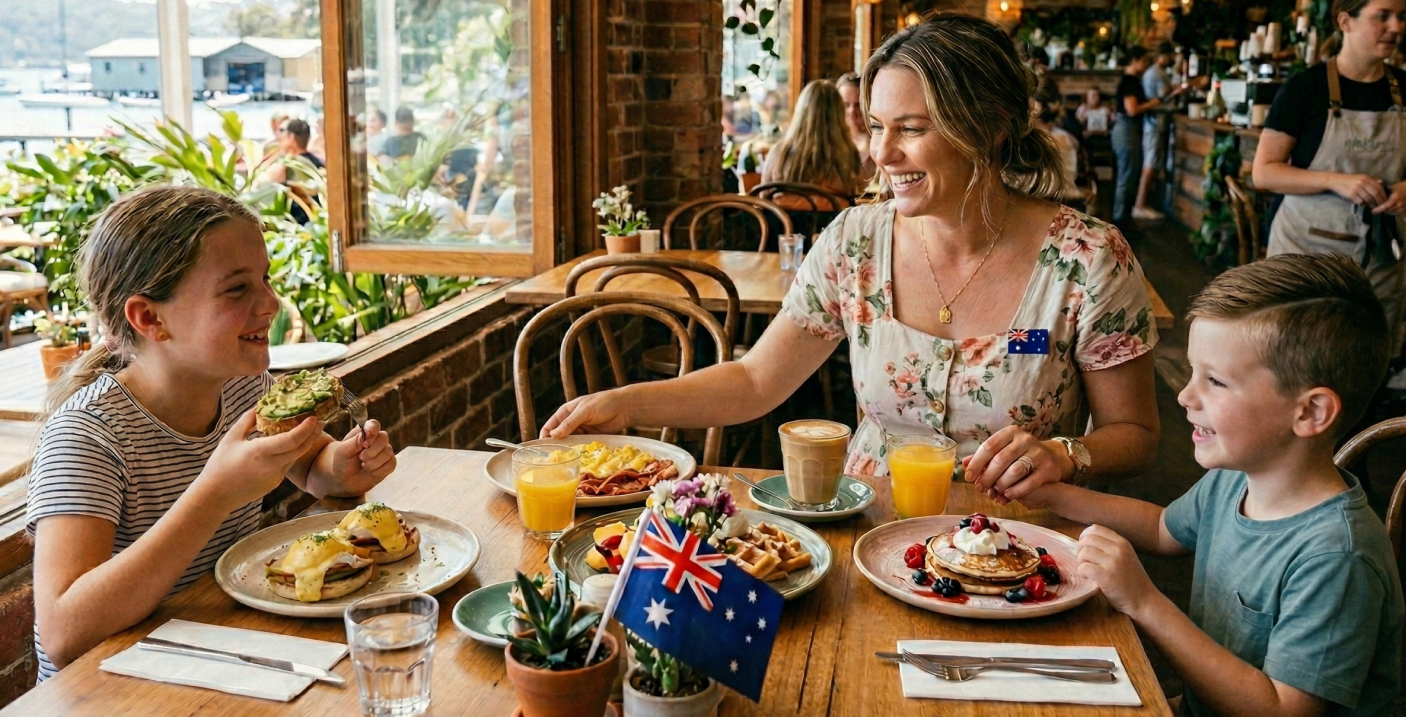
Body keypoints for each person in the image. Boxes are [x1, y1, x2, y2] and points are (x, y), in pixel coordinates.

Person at [542, 14, 1160, 502]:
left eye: (912, 129)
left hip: (1026, 547)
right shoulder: (854, 242)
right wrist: (627, 402)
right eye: (874, 126)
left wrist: (1068, 454)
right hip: (872, 530)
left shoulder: (1088, 258)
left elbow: (1135, 437)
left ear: (991, 126)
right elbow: (757, 381)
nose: (880, 154)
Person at [27, 185, 396, 680]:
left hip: (215, 653)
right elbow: (65, 633)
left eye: (265, 279)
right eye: (237, 288)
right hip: (112, 691)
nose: (271, 302)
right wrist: (216, 493)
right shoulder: (88, 437)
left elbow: (311, 469)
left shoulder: (244, 386)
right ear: (150, 318)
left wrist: (342, 468)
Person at [1016, 253, 1402, 716]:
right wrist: (1056, 494)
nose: (1184, 395)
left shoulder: (1337, 557)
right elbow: (1163, 528)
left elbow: (1283, 711)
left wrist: (1145, 602)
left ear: (1310, 413)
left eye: (1215, 381)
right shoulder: (1235, 478)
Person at [1254, 0, 1406, 346]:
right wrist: (1337, 181)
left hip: (1382, 254)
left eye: (1401, 16)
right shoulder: (1305, 89)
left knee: (1368, 352)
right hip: (1307, 253)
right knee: (1297, 349)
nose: (1396, 27)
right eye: (1382, 16)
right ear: (1345, 22)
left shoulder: (1403, 88)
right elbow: (1264, 173)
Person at [760, 79, 863, 211]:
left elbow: (763, 199)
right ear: (838, 114)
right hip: (832, 229)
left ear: (801, 111)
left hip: (784, 229)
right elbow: (856, 195)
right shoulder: (849, 154)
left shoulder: (779, 152)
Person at [1112, 46, 1186, 225]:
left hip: (1125, 129)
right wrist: (1156, 102)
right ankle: (1120, 222)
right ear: (1135, 60)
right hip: (1127, 129)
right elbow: (1132, 109)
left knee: (1127, 174)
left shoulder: (1131, 80)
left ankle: (1122, 218)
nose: (1147, 65)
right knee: (1127, 175)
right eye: (1144, 61)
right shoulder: (1131, 81)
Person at [1133, 42, 1178, 220]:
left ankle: (1144, 203)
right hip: (1154, 124)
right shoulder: (1157, 73)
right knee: (1150, 165)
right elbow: (1162, 96)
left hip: (1152, 124)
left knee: (1152, 163)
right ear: (1165, 55)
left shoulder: (1153, 72)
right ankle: (1140, 205)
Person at [265, 118, 325, 225]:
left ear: (291, 137)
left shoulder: (289, 166)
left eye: (281, 130)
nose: (278, 135)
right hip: (316, 223)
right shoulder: (318, 163)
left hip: (295, 225)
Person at [836, 72, 878, 186]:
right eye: (846, 105)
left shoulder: (880, 141)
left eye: (857, 104)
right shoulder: (832, 143)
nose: (852, 111)